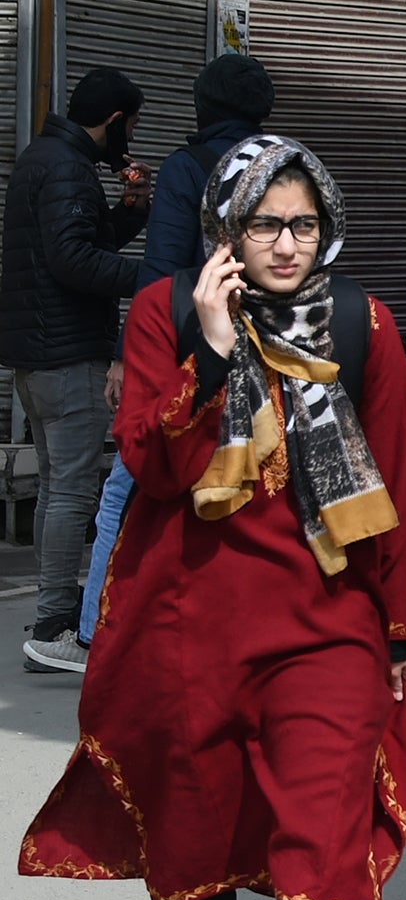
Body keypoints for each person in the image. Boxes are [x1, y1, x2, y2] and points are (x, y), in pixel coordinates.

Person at [17, 135, 406, 900]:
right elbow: (153, 469)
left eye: (302, 222)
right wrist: (209, 349)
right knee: (195, 821)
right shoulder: (163, 316)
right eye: (264, 224)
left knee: (325, 820)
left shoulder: (359, 323)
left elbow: (401, 479)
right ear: (226, 229)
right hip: (187, 625)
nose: (286, 244)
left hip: (325, 624)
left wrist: (396, 626)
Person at [77, 53, 277, 660]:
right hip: (271, 348)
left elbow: (161, 271)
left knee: (129, 484)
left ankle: (95, 628)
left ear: (202, 107)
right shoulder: (283, 167)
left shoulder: (187, 168)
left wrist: (124, 357)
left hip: (194, 344)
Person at [0, 68, 150, 673]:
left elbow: (75, 243)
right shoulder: (66, 167)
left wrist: (129, 213)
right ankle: (58, 624)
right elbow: (72, 261)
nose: (128, 142)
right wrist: (159, 280)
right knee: (72, 489)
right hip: (65, 355)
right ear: (113, 121)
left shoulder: (46, 158)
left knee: (56, 488)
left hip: (38, 355)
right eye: (129, 129)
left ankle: (50, 617)